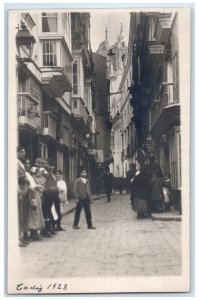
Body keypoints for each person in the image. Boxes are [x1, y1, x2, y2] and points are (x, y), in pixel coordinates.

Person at [24, 159, 45, 241]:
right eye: (26, 163)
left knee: (37, 213)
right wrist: (36, 186)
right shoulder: (28, 173)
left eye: (28, 163)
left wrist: (38, 186)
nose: (27, 165)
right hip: (31, 194)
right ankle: (32, 233)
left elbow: (40, 181)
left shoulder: (29, 173)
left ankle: (34, 233)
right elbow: (27, 185)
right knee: (33, 213)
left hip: (36, 194)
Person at [17, 146, 30, 246]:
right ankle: (17, 238)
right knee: (17, 216)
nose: (23, 153)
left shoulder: (20, 163)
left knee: (21, 215)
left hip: (24, 192)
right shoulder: (16, 163)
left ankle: (20, 237)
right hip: (19, 192)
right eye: (21, 152)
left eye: (24, 151)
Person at [43, 160, 59, 236]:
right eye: (45, 164)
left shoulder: (52, 174)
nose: (49, 166)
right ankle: (47, 229)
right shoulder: (45, 174)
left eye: (47, 164)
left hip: (52, 195)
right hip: (46, 194)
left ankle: (50, 228)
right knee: (46, 211)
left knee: (49, 211)